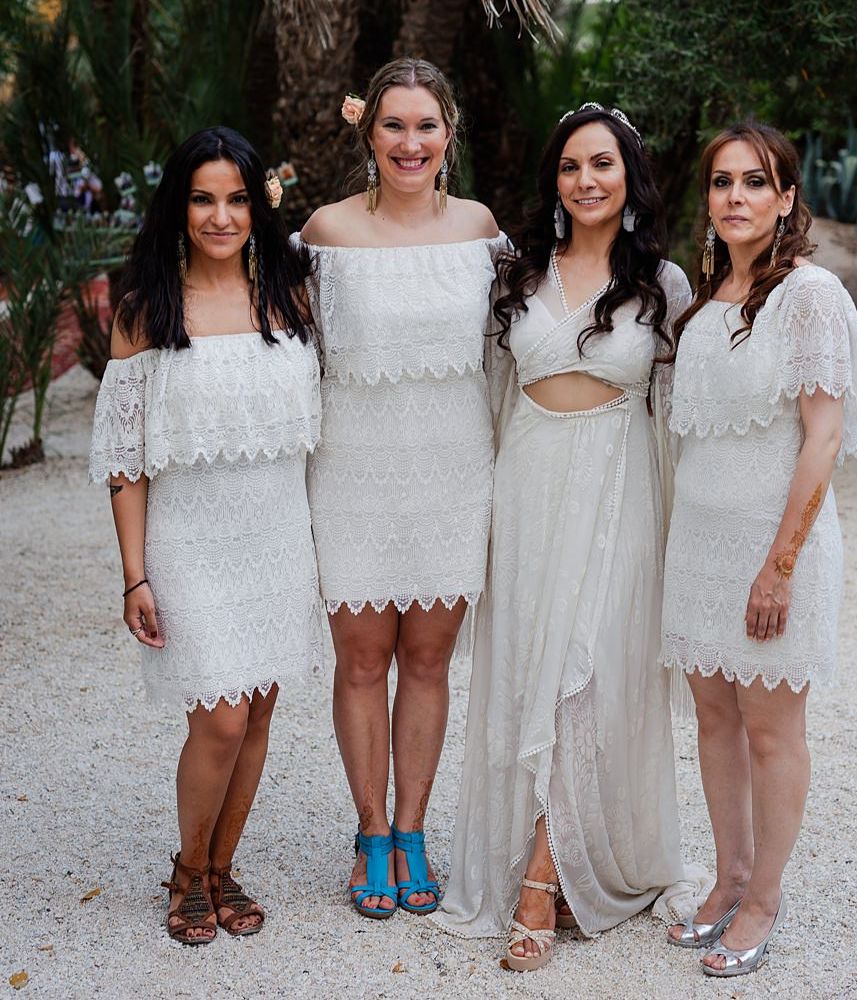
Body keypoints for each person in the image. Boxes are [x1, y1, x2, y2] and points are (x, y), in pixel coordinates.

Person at [432, 103, 706, 971]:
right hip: (529, 486)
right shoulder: (517, 275)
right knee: (528, 670)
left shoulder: (662, 284)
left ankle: (543, 881)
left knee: (588, 677)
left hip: (621, 487)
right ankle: (535, 855)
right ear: (554, 181)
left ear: (629, 178)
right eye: (571, 167)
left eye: (603, 164)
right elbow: (484, 395)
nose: (586, 180)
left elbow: (682, 416)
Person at [89, 126, 324, 944]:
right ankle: (188, 872)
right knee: (219, 720)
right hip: (190, 543)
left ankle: (223, 868)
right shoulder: (144, 313)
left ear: (258, 207)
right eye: (202, 199)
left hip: (278, 538)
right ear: (177, 207)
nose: (220, 217)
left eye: (235, 199)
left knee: (257, 715)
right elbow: (125, 461)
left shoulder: (290, 301)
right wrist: (134, 573)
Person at [293, 58, 505, 919]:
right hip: (352, 472)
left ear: (449, 133)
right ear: (368, 132)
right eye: (394, 125)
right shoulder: (327, 232)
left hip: (453, 472)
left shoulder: (481, 230)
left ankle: (413, 828)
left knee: (426, 660)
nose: (409, 143)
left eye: (425, 126)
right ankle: (371, 830)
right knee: (361, 660)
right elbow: (287, 347)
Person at [661, 121, 857, 976]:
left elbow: (823, 437)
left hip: (774, 547)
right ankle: (729, 876)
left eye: (755, 182)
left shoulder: (811, 296)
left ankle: (765, 898)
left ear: (786, 198)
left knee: (772, 730)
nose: (736, 197)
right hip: (699, 543)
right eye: (722, 182)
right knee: (715, 719)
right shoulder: (705, 298)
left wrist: (779, 566)